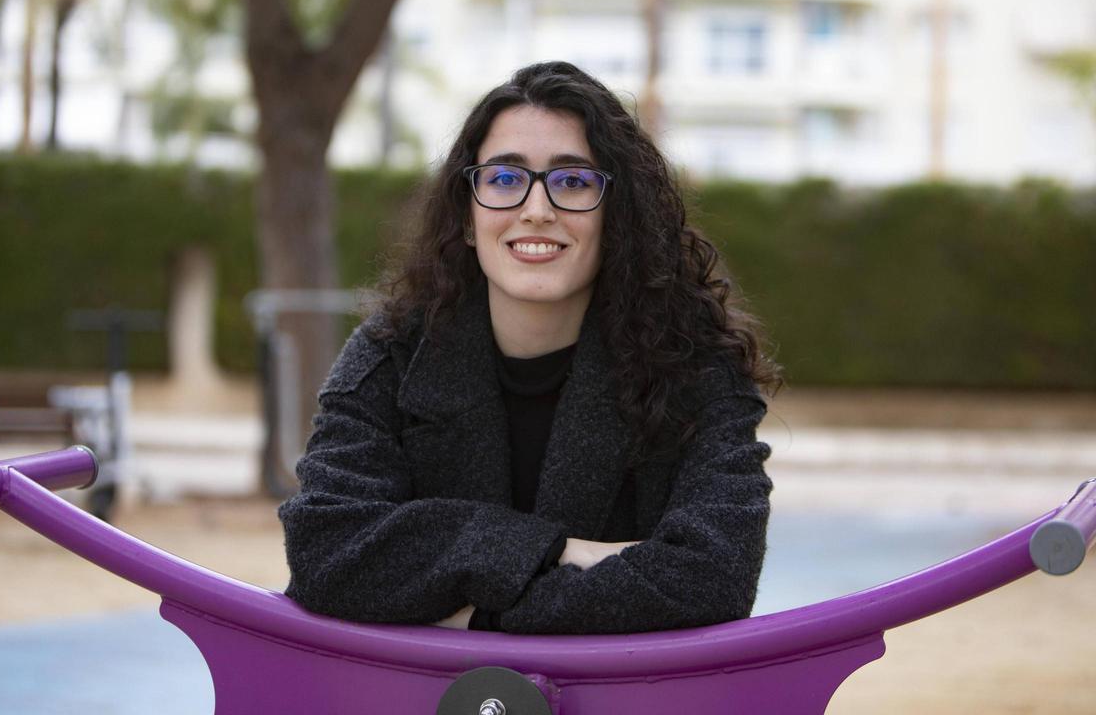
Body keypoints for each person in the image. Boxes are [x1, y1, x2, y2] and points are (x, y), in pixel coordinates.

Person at [279, 61, 781, 635]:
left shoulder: (697, 365)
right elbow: (327, 550)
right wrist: (560, 549)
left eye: (573, 182)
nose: (536, 209)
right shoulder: (391, 353)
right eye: (504, 179)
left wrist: (480, 612)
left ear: (617, 217)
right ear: (467, 217)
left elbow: (716, 576)